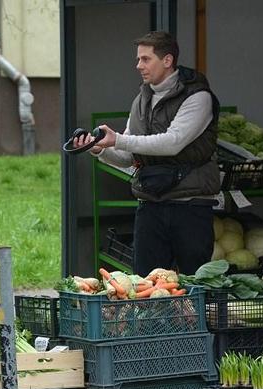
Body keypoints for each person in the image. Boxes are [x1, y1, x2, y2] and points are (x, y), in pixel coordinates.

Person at [75, 31, 220, 276]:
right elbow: (129, 156)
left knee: (196, 284)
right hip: (150, 206)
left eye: (145, 59)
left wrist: (118, 139)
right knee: (144, 284)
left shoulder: (198, 97)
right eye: (138, 59)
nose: (138, 66)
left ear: (167, 60)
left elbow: (174, 142)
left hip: (190, 207)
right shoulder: (141, 100)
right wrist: (99, 149)